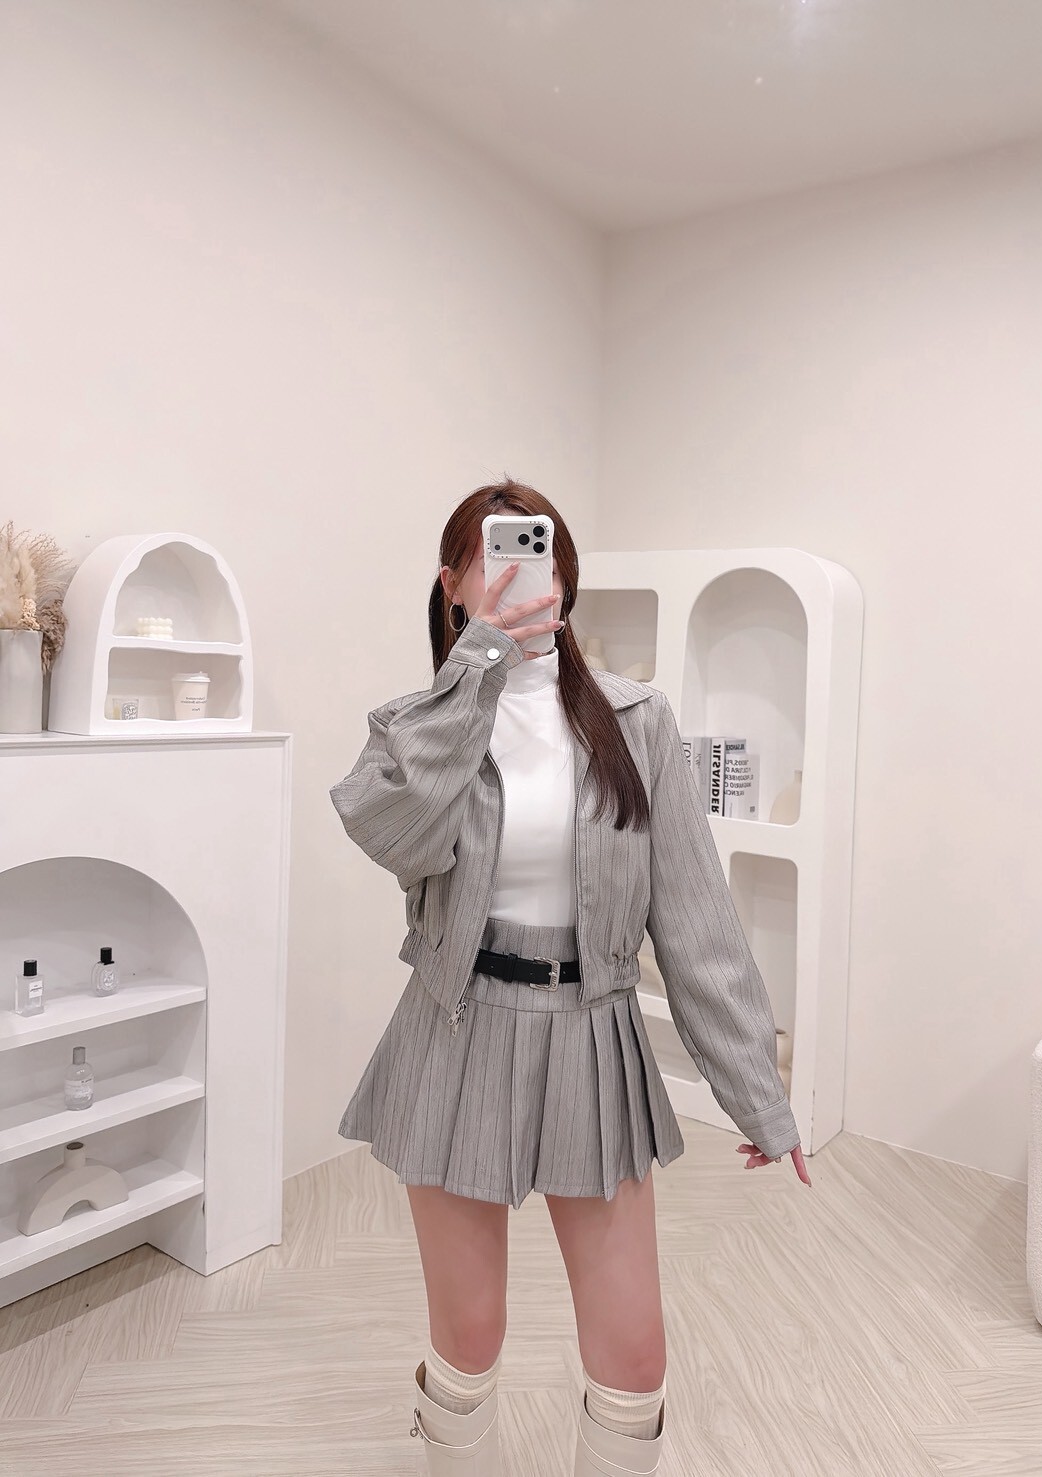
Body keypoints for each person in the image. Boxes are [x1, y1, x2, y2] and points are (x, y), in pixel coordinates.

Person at [329, 478, 811, 1476]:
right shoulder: (415, 727)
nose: (520, 574)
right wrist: (477, 669)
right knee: (469, 1337)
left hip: (593, 1032)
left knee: (634, 1359)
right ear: (453, 585)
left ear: (564, 574)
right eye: (494, 557)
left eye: (537, 552)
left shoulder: (638, 722)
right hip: (456, 1031)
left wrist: (757, 1093)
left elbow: (696, 918)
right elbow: (395, 834)